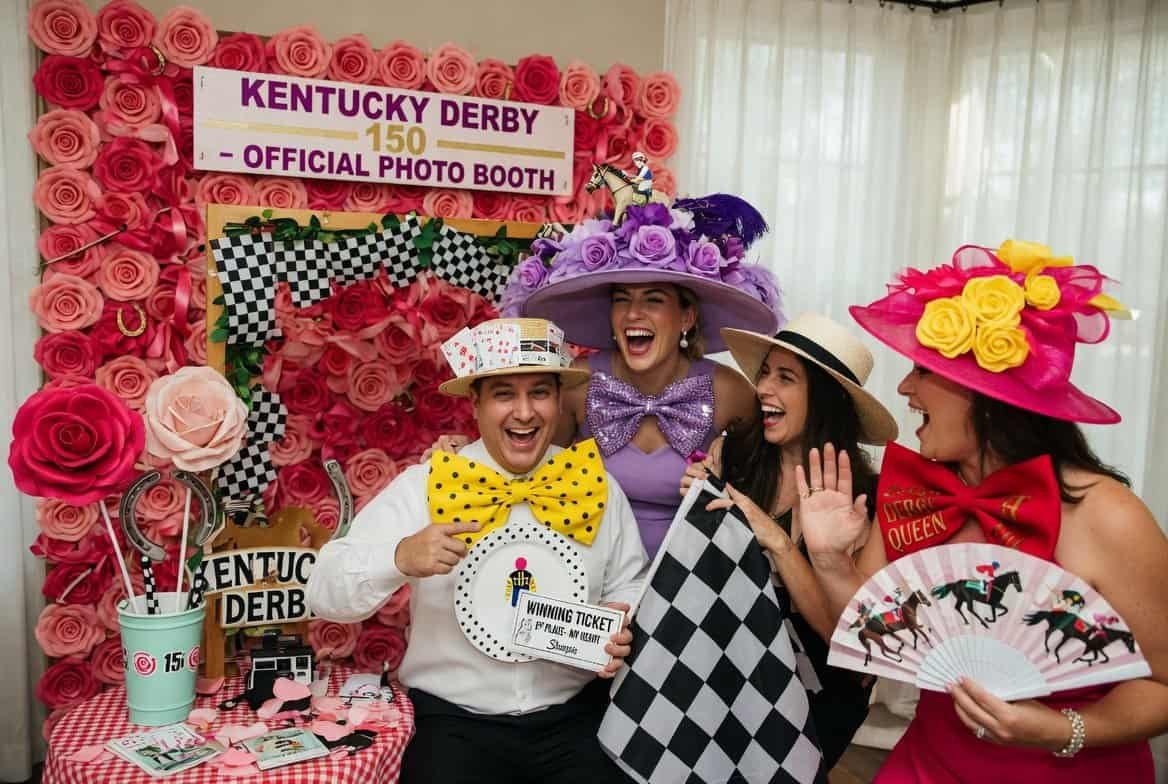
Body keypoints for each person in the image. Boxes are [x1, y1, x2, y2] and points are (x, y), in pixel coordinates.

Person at [797, 241, 1168, 782]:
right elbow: (863, 641)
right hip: (928, 761)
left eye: (922, 370)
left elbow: (1163, 686)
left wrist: (1062, 729)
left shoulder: (1108, 515)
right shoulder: (920, 497)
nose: (904, 388)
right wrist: (829, 558)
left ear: (987, 393)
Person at [306, 317, 648, 784]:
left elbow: (630, 578)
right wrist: (401, 557)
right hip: (453, 726)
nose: (524, 412)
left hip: (577, 720)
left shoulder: (594, 487)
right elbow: (323, 591)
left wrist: (617, 613)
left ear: (558, 399)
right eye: (505, 393)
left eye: (540, 393)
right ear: (476, 402)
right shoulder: (425, 487)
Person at [493, 196, 782, 557]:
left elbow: (767, 483)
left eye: (653, 300)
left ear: (686, 318)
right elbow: (527, 469)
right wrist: (463, 451)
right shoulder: (576, 384)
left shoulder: (729, 391)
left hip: (690, 584)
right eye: (621, 299)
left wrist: (724, 483)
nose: (632, 314)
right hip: (588, 574)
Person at [678, 313, 900, 768]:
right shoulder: (733, 456)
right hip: (725, 672)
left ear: (825, 399)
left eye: (786, 377)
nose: (763, 389)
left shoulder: (870, 500)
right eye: (764, 373)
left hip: (819, 698)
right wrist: (697, 504)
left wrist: (778, 541)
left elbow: (856, 648)